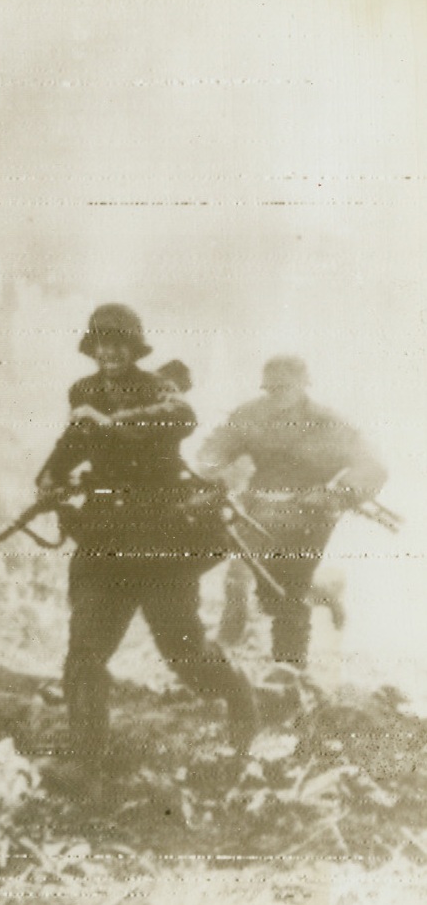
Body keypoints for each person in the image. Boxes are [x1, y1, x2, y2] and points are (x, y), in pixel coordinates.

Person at [36, 304, 258, 774]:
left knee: (184, 654)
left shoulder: (157, 387)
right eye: (101, 342)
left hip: (162, 540)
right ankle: (87, 758)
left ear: (133, 347)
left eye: (119, 343)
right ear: (92, 347)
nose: (109, 351)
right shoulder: (83, 391)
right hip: (104, 539)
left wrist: (113, 423)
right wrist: (51, 476)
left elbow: (180, 416)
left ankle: (238, 691)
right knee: (86, 652)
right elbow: (75, 439)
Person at [198, 355, 387, 667]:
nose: (277, 396)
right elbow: (217, 446)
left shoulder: (329, 423)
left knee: (288, 594)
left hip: (309, 517)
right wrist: (210, 469)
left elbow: (372, 465)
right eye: (271, 389)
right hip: (258, 508)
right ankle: (226, 646)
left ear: (303, 384)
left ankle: (289, 671)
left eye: (284, 388)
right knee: (240, 575)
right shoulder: (251, 414)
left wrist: (338, 493)